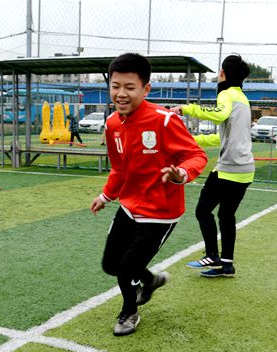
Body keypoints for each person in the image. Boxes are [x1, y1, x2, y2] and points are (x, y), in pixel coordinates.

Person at [90, 53, 208, 336]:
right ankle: (151, 280)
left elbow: (197, 155)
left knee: (126, 268)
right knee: (111, 265)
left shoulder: (164, 121)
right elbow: (119, 168)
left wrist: (181, 173)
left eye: (129, 87)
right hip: (129, 207)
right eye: (116, 86)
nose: (121, 93)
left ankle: (129, 312)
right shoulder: (112, 124)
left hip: (160, 213)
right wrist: (106, 196)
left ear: (145, 89)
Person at [171, 54, 255, 278]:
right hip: (246, 170)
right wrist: (192, 140)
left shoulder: (226, 94)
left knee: (202, 211)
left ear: (223, 74)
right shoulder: (242, 98)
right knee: (226, 216)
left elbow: (220, 115)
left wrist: (187, 109)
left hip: (230, 169)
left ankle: (212, 256)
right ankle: (226, 265)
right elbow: (221, 137)